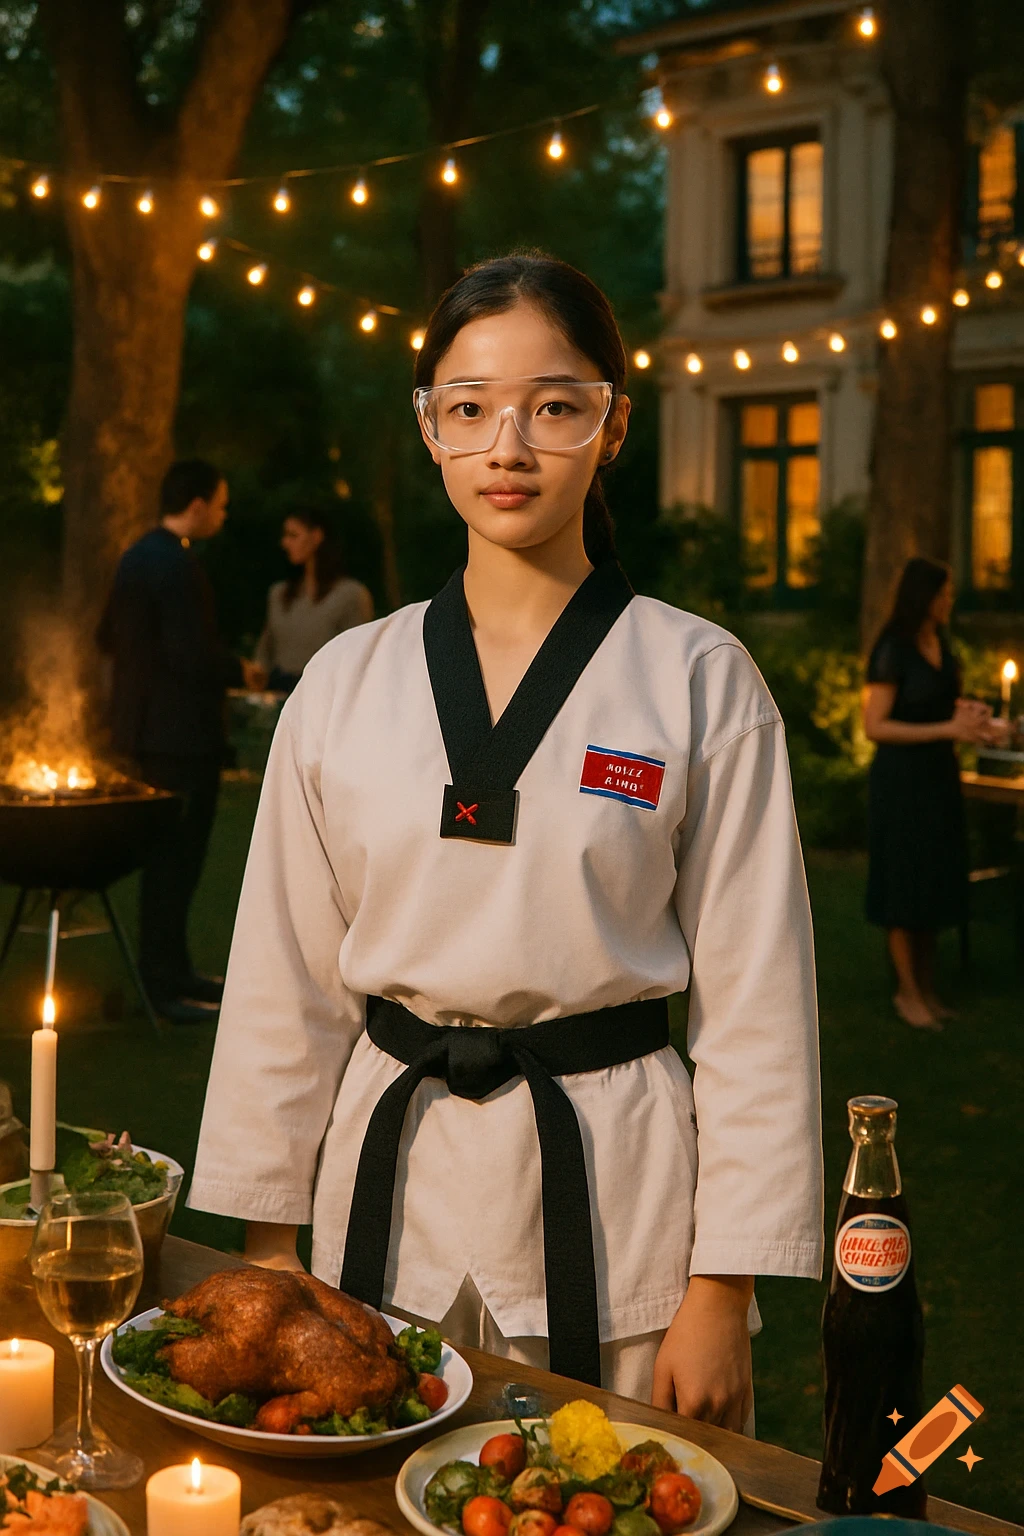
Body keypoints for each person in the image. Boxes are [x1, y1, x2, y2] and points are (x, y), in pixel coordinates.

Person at [189, 254, 823, 1427]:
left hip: (618, 1206)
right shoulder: (346, 683)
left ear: (613, 426)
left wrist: (722, 1286)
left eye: (555, 406)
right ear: (429, 428)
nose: (509, 447)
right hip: (382, 1201)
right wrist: (271, 1249)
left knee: (611, 1486)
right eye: (471, 407)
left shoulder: (696, 679)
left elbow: (758, 1006)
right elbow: (284, 984)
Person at [98, 459, 263, 1025]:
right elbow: (191, 656)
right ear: (196, 505)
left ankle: (176, 971)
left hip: (143, 733)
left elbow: (105, 637)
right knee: (176, 860)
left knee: (166, 859)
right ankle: (163, 984)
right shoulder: (178, 565)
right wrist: (239, 669)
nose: (223, 514)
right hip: (182, 737)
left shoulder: (135, 557)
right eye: (220, 504)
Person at [863, 557, 997, 1031]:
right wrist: (946, 729)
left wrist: (973, 717)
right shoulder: (893, 648)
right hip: (902, 783)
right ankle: (907, 992)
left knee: (934, 880)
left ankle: (927, 986)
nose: (949, 600)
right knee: (904, 883)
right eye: (943, 593)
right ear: (923, 595)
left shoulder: (941, 641)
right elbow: (875, 726)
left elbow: (941, 707)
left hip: (939, 779)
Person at [254, 508, 373, 692]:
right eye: (285, 535)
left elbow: (359, 658)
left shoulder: (350, 595)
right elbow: (265, 650)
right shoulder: (279, 594)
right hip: (279, 691)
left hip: (324, 693)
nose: (285, 542)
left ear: (316, 536)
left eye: (293, 535)